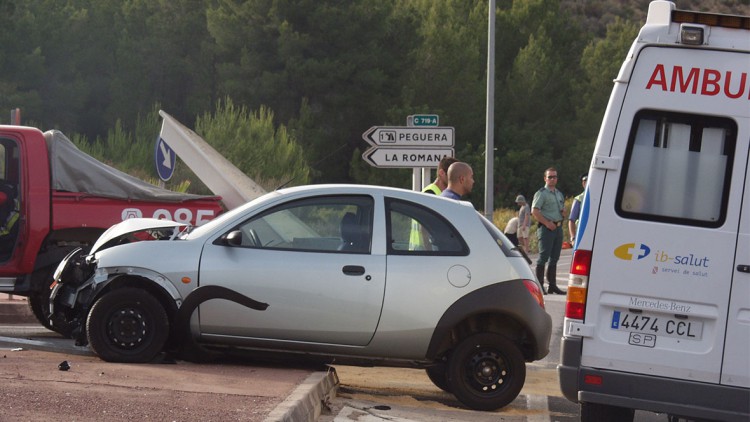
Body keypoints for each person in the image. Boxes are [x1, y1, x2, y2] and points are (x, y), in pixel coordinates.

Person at [531, 167, 566, 294]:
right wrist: (547, 223)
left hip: (558, 227)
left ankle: (552, 285)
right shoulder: (541, 193)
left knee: (555, 258)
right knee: (543, 257)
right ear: (545, 178)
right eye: (550, 177)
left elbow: (562, 210)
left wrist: (563, 213)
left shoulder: (558, 193)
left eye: (554, 177)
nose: (552, 179)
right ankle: (540, 285)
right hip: (546, 228)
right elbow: (535, 211)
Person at [568, 173, 587, 244]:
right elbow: (571, 220)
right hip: (582, 233)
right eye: (586, 181)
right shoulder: (578, 199)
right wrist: (573, 237)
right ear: (583, 183)